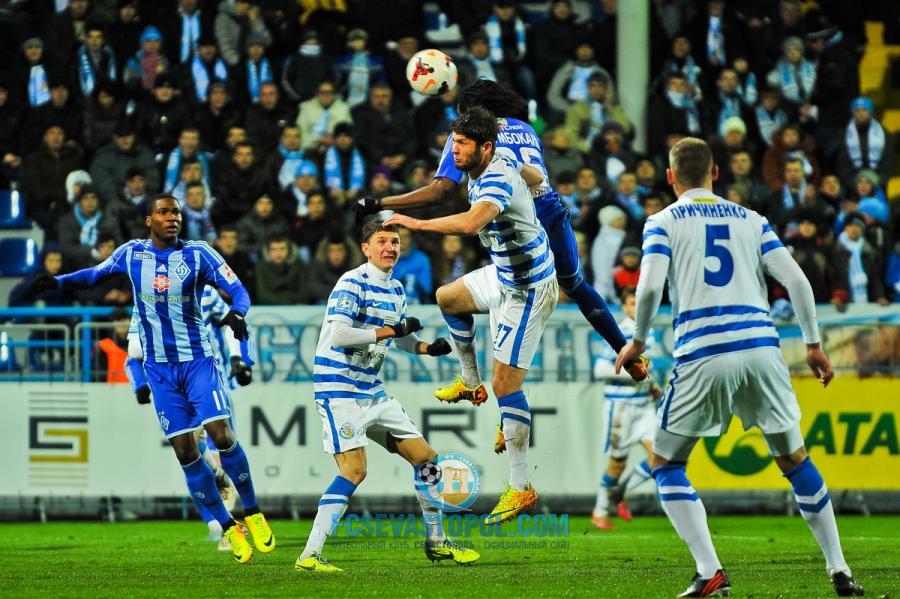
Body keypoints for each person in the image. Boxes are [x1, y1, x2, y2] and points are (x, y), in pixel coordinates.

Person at [615, 137, 864, 597]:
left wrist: (638, 340)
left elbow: (648, 289)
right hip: (762, 348)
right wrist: (813, 345)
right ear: (715, 173)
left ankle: (710, 570)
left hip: (704, 350)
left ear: (670, 178)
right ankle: (840, 569)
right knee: (795, 459)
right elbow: (798, 280)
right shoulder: (753, 219)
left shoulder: (662, 221)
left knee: (665, 463)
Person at [30, 194, 275, 565]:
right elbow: (94, 274)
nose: (172, 217)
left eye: (176, 212)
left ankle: (253, 512)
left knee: (222, 434)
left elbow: (238, 289)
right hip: (160, 371)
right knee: (186, 452)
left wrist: (239, 313)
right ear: (149, 220)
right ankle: (228, 527)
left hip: (197, 361)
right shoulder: (131, 254)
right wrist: (58, 281)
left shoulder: (199, 254)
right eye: (163, 212)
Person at [358, 80, 647, 383]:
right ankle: (627, 353)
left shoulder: (474, 138)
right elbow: (536, 177)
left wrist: (380, 202)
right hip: (551, 213)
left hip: (515, 222)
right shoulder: (526, 129)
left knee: (508, 291)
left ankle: (477, 379)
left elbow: (440, 190)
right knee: (574, 284)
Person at [383, 107, 561, 523]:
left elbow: (470, 224)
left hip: (528, 288)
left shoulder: (496, 177)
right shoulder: (495, 162)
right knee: (448, 297)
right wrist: (535, 183)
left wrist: (414, 224)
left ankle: (520, 486)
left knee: (507, 386)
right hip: (503, 274)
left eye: (462, 144)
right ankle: (469, 381)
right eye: (454, 142)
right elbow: (536, 176)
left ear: (486, 147)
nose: (454, 150)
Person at [295, 218, 478, 572]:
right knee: (354, 470)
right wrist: (391, 330)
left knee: (427, 459)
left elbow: (400, 336)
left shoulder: (396, 289)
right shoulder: (351, 282)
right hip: (339, 388)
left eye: (394, 242)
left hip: (372, 389)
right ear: (366, 248)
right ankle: (309, 554)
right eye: (381, 241)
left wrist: (426, 348)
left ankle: (437, 540)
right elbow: (339, 335)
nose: (390, 247)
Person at [126, 282, 253, 547]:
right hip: (173, 388)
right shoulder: (145, 299)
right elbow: (134, 352)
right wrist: (140, 384)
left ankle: (227, 529)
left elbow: (234, 324)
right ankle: (215, 518)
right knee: (190, 456)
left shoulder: (205, 294)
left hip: (209, 382)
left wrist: (240, 360)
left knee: (221, 448)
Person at [591, 286, 660, 531]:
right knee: (617, 464)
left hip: (644, 406)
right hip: (621, 408)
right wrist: (634, 375)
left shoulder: (649, 333)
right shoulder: (619, 332)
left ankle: (621, 491)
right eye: (632, 303)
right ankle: (600, 512)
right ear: (623, 307)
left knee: (660, 456)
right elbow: (600, 369)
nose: (637, 307)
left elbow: (645, 369)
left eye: (640, 302)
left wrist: (652, 384)